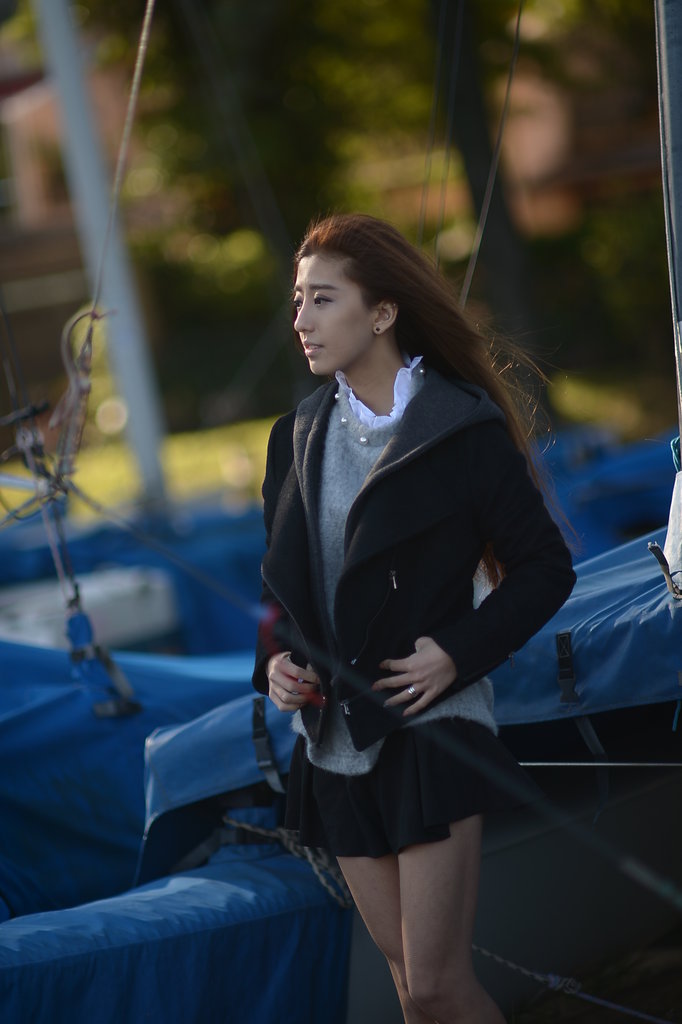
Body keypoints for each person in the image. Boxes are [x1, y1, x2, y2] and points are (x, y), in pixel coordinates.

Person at [252, 213, 576, 1023]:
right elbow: (284, 593)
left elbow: (546, 569)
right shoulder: (294, 438)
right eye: (298, 301)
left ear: (383, 312)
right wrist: (275, 666)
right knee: (407, 988)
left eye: (323, 299)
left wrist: (456, 655)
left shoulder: (461, 427)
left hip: (433, 728)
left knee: (435, 984)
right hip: (334, 743)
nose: (301, 319)